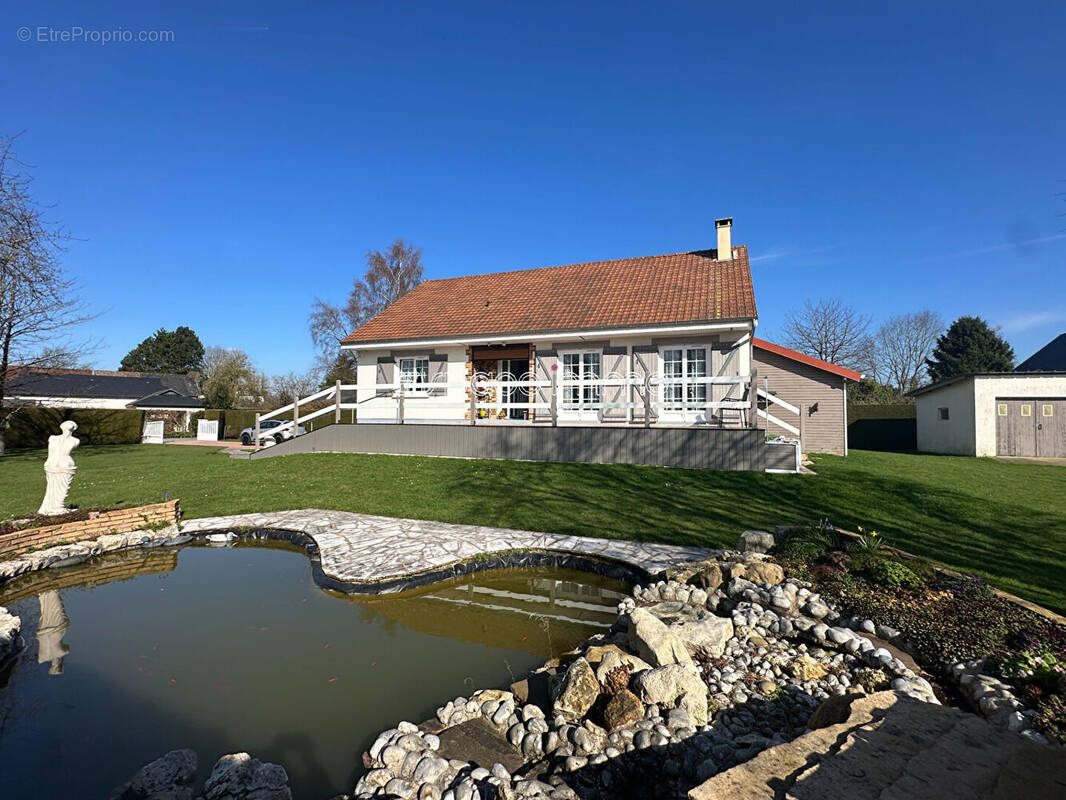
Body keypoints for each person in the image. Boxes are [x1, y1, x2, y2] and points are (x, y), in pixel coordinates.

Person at [38, 420, 79, 515]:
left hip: (65, 465)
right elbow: (51, 453)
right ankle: (53, 507)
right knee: (52, 487)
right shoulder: (53, 438)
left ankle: (59, 506)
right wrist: (48, 464)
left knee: (63, 487)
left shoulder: (75, 440)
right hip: (53, 465)